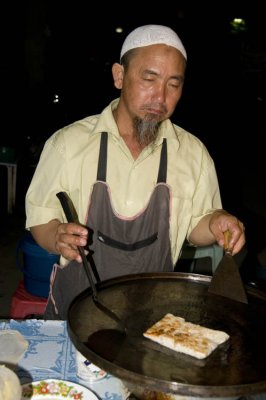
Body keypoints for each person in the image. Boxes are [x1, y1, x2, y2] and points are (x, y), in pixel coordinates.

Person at [25, 24, 245, 320]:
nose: (160, 97)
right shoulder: (68, 144)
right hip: (76, 309)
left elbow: (195, 226)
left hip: (152, 313)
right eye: (149, 78)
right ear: (119, 75)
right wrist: (56, 236)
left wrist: (217, 222)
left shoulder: (193, 153)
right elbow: (40, 217)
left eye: (173, 84)